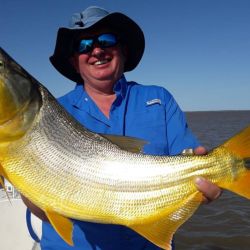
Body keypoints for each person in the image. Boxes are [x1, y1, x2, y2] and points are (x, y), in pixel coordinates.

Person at [22, 6, 221, 250]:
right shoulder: (49, 113)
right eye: (83, 45)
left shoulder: (159, 99)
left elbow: (191, 161)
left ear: (123, 50)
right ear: (74, 62)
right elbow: (42, 211)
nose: (96, 50)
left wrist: (207, 179)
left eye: (106, 40)